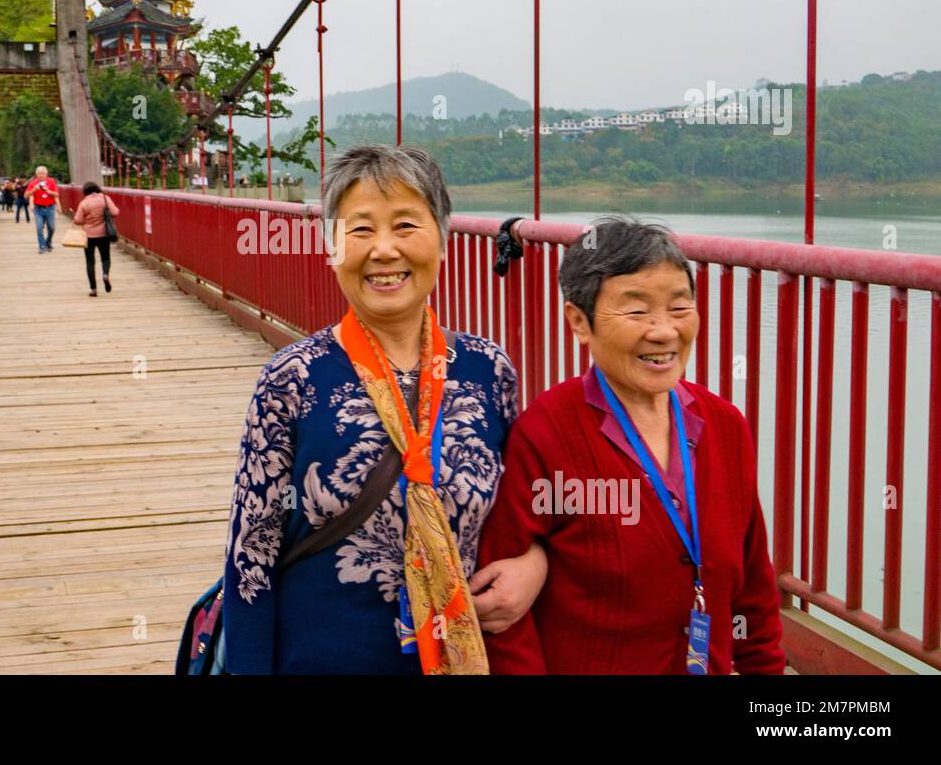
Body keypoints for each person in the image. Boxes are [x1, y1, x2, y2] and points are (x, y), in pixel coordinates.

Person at [222, 144, 546, 674]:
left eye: (405, 225)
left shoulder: (489, 370)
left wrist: (534, 565)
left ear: (442, 240)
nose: (384, 250)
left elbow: (526, 513)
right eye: (361, 230)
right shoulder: (292, 377)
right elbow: (251, 554)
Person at [477, 216, 786, 674]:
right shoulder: (546, 432)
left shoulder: (724, 425)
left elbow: (754, 590)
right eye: (637, 311)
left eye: (679, 308)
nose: (663, 332)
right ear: (578, 321)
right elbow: (503, 616)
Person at [72, 181, 119, 297]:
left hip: (88, 236)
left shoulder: (84, 203)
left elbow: (77, 220)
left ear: (85, 192)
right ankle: (105, 275)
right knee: (105, 258)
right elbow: (115, 212)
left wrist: (86, 219)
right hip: (104, 234)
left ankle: (93, 289)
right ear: (97, 188)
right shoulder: (105, 198)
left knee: (90, 262)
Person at [26, 166, 59, 253]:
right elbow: (26, 195)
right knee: (39, 227)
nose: (41, 175)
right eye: (39, 174)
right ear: (36, 174)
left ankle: (48, 242)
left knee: (51, 228)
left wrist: (49, 191)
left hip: (50, 208)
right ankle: (42, 246)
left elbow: (56, 194)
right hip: (38, 209)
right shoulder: (33, 183)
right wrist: (34, 189)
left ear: (46, 174)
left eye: (43, 173)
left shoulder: (51, 181)